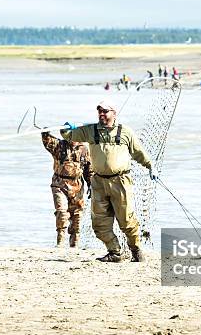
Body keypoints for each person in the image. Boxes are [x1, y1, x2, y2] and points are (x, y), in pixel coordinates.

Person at [61, 99, 154, 263]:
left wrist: (150, 165)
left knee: (127, 221)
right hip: (98, 182)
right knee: (99, 224)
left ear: (114, 113)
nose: (102, 114)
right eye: (100, 111)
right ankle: (114, 252)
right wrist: (66, 128)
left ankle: (136, 250)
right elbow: (68, 135)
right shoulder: (90, 131)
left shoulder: (125, 132)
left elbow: (138, 152)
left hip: (121, 182)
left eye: (105, 111)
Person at [41, 132, 92, 247]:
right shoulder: (59, 145)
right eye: (71, 136)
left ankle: (74, 244)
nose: (73, 139)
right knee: (62, 212)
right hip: (60, 184)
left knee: (77, 216)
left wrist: (91, 185)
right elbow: (47, 140)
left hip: (77, 186)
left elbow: (89, 170)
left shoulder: (84, 149)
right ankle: (60, 241)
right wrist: (45, 131)